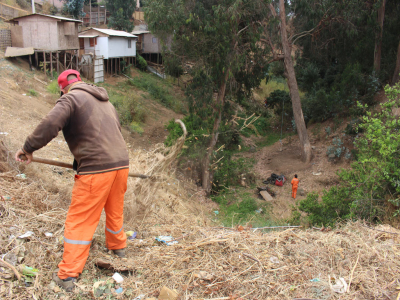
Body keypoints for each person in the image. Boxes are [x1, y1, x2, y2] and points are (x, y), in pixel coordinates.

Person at [14, 69, 129, 292]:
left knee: (80, 219)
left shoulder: (70, 98)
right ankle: (119, 248)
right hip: (121, 164)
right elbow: (113, 131)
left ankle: (67, 276)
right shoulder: (105, 101)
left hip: (97, 168)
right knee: (115, 209)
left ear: (62, 88)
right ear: (81, 81)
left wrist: (28, 148)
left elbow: (50, 124)